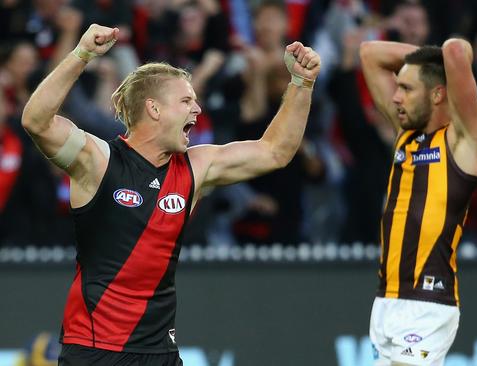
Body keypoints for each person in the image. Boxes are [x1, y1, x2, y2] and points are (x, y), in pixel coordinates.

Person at [21, 24, 320, 365]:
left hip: (161, 353)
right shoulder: (99, 161)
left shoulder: (195, 167)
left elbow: (275, 151)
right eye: (186, 100)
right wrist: (82, 54)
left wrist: (301, 83)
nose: (198, 110)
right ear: (154, 109)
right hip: (95, 351)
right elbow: (36, 121)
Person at [359, 37, 477, 365]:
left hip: (428, 303)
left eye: (406, 88)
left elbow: (457, 50)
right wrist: (428, 65)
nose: (395, 97)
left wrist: (440, 65)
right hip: (387, 300)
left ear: (437, 94)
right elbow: (369, 53)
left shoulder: (466, 142)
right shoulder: (406, 136)